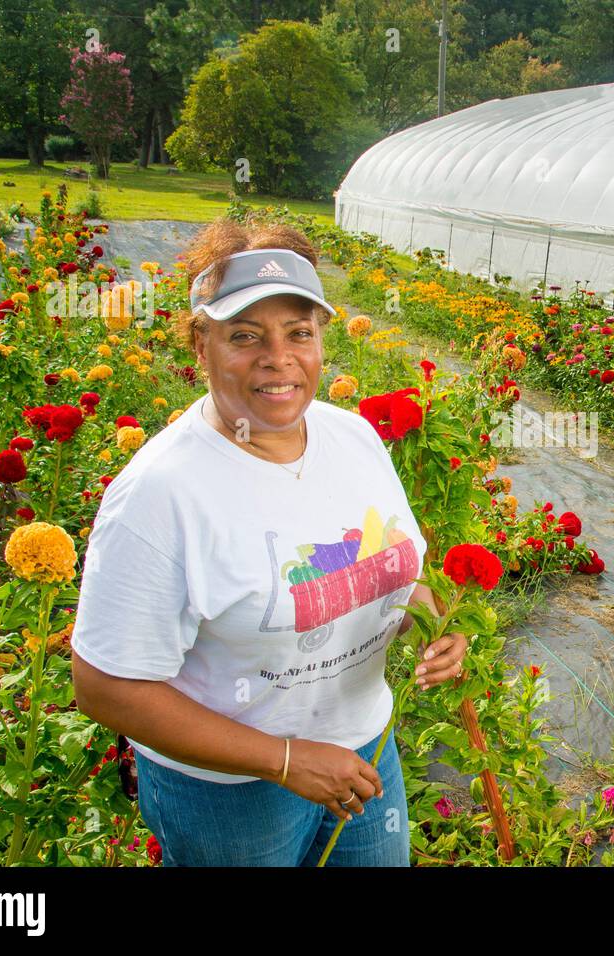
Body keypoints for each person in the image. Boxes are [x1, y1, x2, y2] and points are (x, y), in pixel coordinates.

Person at [70, 220, 467, 866]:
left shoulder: (355, 440)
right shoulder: (162, 493)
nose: (277, 359)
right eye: (245, 336)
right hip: (230, 795)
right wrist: (284, 760)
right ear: (202, 345)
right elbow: (102, 686)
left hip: (364, 750)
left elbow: (394, 570)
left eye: (298, 333)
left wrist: (432, 623)